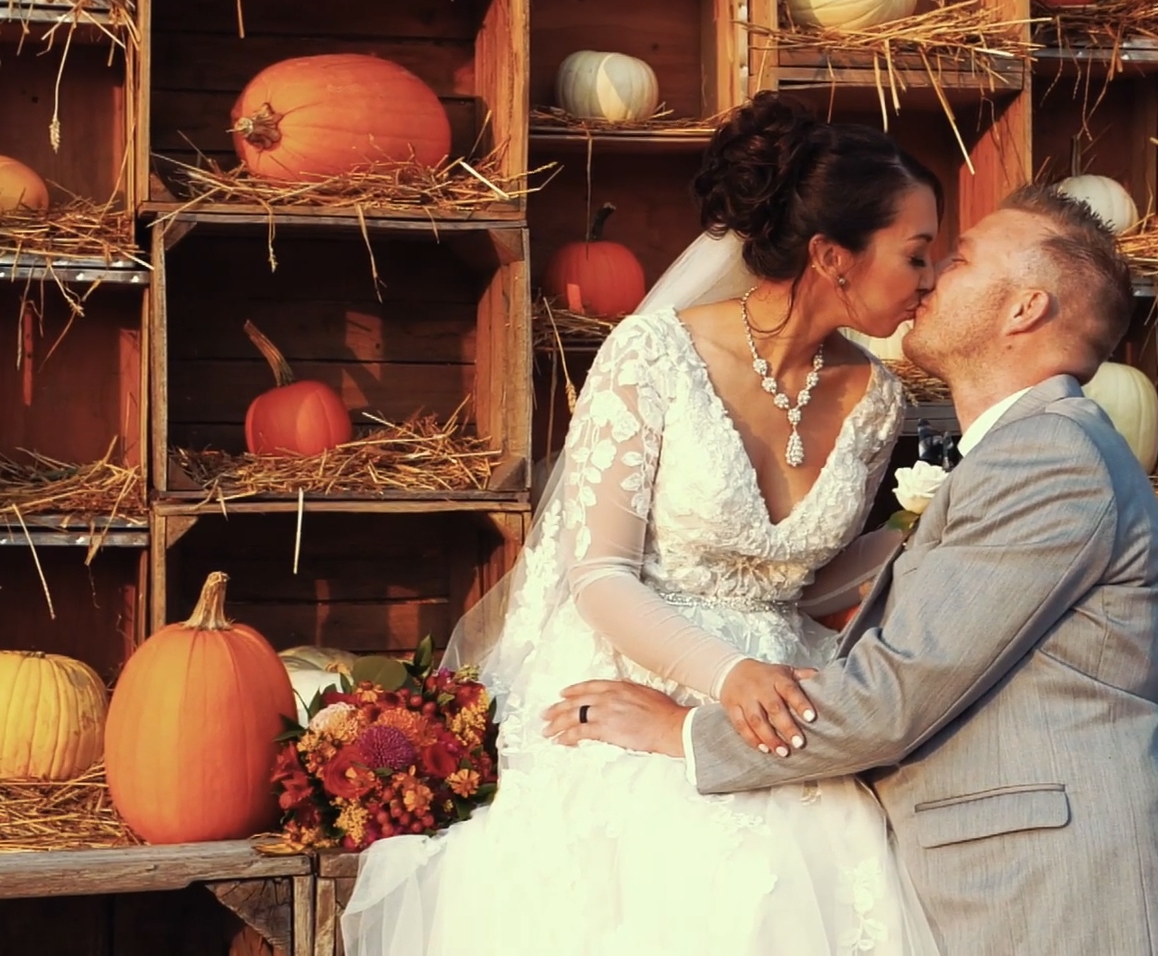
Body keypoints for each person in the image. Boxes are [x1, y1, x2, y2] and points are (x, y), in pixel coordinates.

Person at [545, 189, 1158, 955]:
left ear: (1024, 309)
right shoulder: (1024, 453)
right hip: (1004, 891)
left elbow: (894, 696)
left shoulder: (1051, 460)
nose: (931, 275)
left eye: (962, 259)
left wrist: (680, 729)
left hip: (1062, 905)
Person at [340, 91, 945, 955]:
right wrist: (725, 675)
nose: (929, 281)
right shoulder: (654, 354)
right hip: (632, 660)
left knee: (838, 854)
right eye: (916, 256)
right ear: (832, 255)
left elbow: (799, 578)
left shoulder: (877, 397)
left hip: (781, 688)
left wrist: (921, 542)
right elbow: (600, 576)